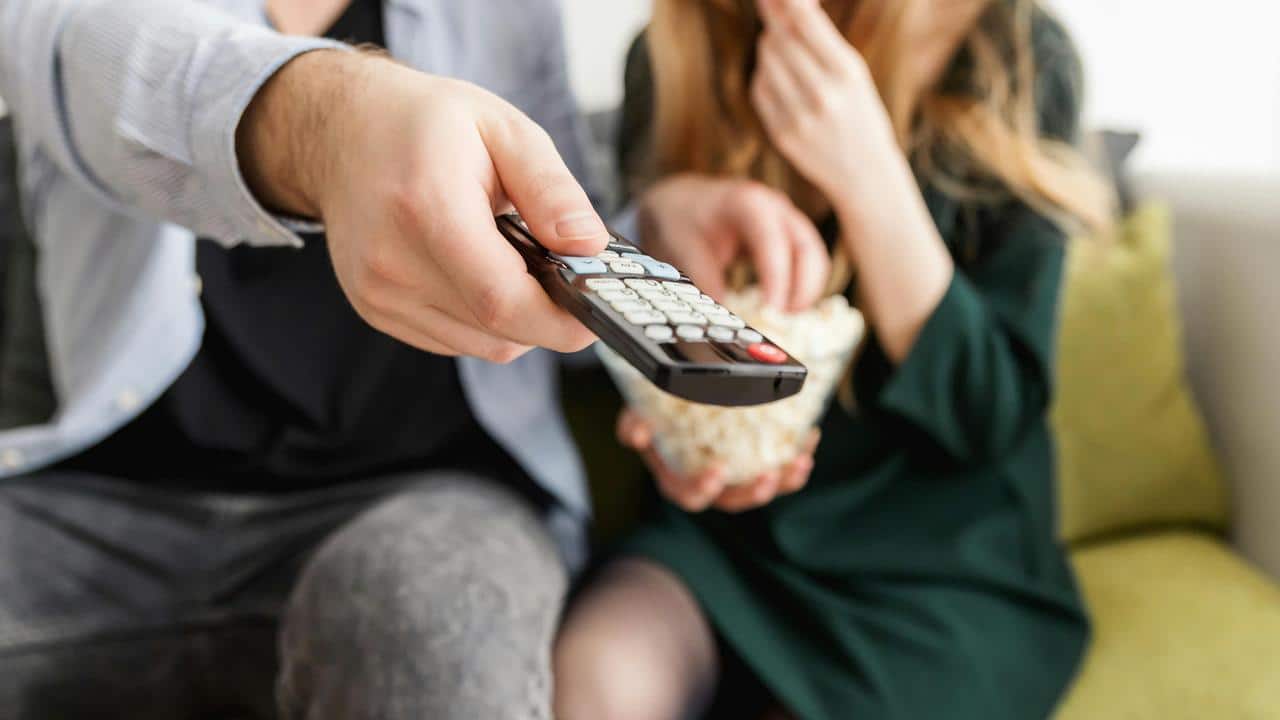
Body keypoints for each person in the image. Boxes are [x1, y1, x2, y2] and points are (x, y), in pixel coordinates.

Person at [0, 1, 828, 717]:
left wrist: (649, 226)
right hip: (110, 503)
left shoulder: (503, 11)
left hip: (431, 497)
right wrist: (335, 127)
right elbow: (99, 59)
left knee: (432, 628)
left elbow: (544, 234)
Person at [554, 0, 1114, 718]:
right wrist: (682, 435)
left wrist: (869, 174)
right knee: (592, 678)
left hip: (941, 565)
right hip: (728, 546)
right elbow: (663, 358)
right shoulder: (668, 58)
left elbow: (989, 413)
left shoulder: (1015, 52)